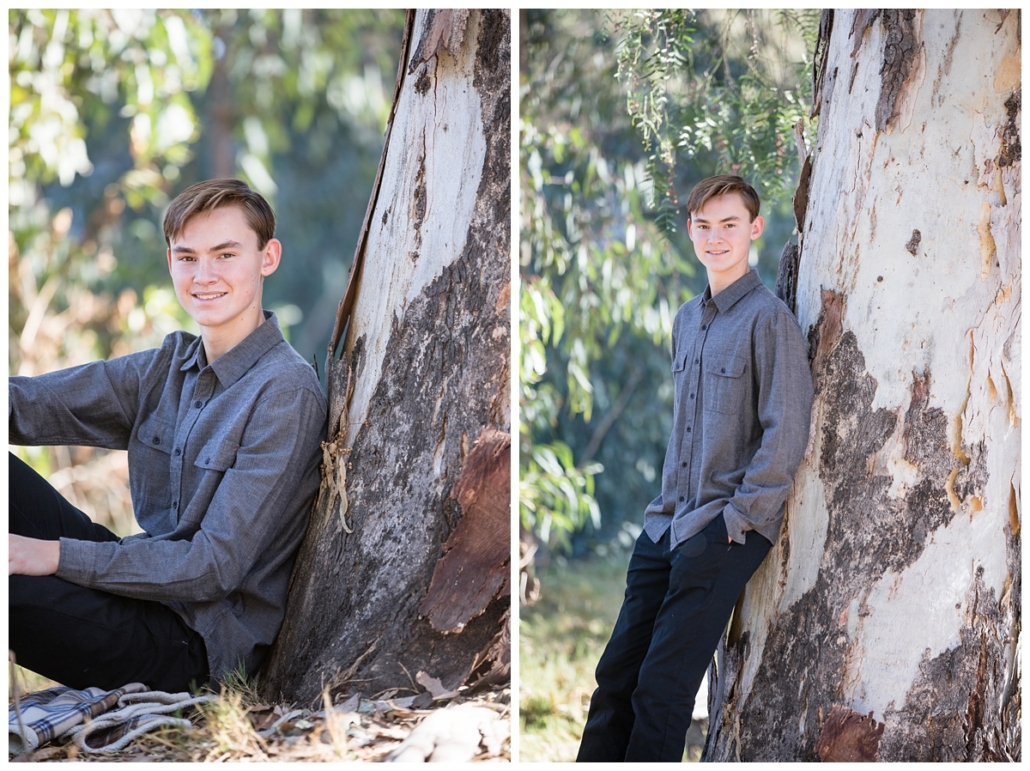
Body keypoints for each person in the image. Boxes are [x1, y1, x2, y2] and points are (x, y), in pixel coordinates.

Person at [9, 178, 327, 694]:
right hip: (143, 593)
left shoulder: (284, 393)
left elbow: (212, 566)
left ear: (267, 257)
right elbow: (27, 404)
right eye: (188, 257)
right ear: (171, 262)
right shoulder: (168, 367)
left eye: (225, 254)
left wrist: (49, 555)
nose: (205, 276)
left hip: (192, 646)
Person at [576, 175, 814, 762]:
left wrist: (735, 522)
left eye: (729, 224)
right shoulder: (686, 319)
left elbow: (787, 434)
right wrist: (664, 521)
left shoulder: (769, 320)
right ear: (690, 232)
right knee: (615, 682)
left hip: (723, 533)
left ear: (754, 229)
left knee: (663, 690)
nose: (716, 237)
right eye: (704, 226)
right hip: (666, 526)